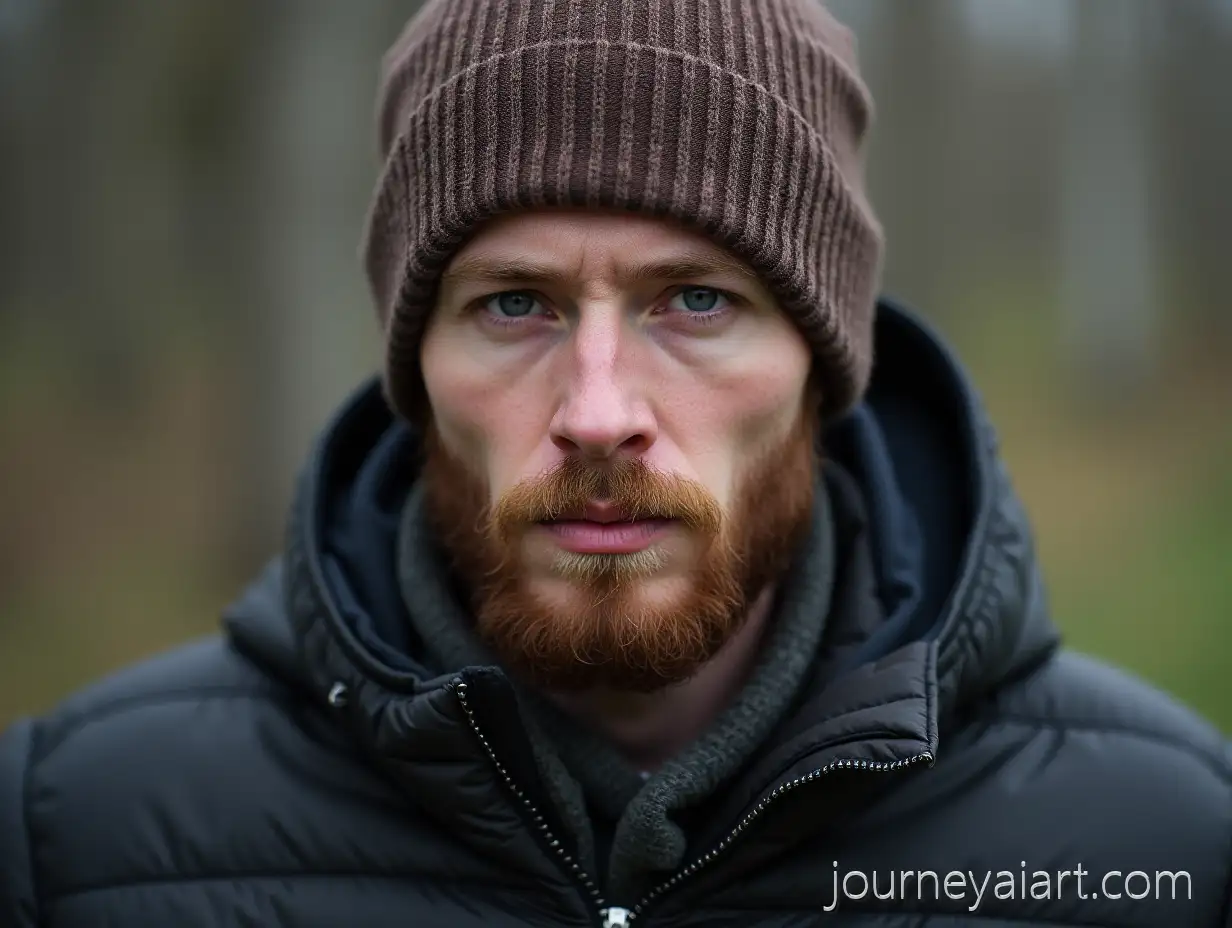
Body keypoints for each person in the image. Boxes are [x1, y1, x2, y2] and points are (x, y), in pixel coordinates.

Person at [2, 0, 1230, 925]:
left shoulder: (1168, 841)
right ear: (413, 367)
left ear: (820, 359)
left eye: (694, 300)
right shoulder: (74, 840)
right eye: (512, 306)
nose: (597, 413)